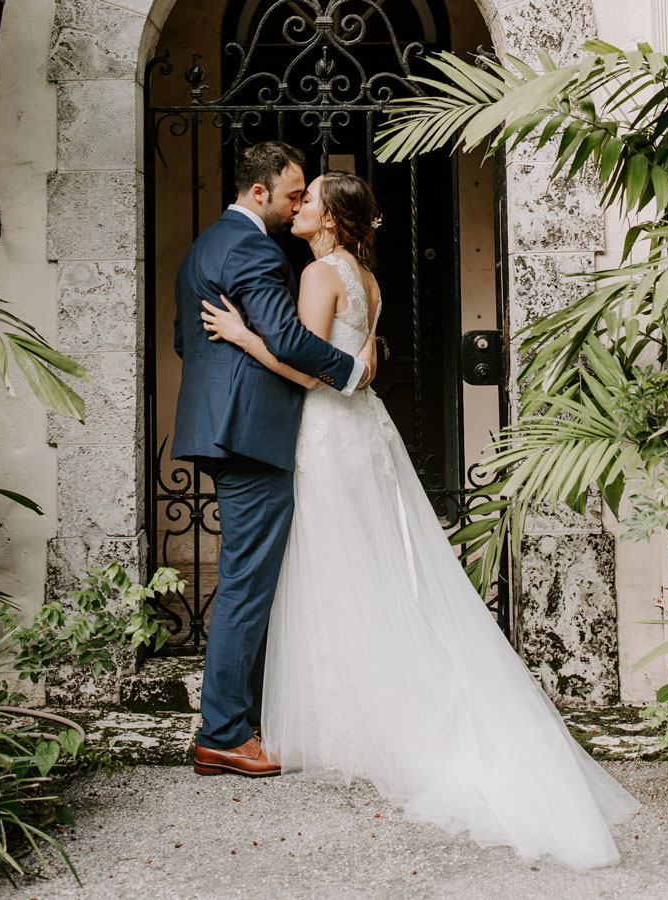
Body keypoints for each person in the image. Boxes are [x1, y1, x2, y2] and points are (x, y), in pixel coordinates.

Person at [199, 169, 641, 869]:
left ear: (333, 220)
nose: (298, 207)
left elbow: (306, 368)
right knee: (368, 565)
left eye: (309, 199)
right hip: (364, 431)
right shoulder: (364, 278)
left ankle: (347, 716)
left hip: (323, 430)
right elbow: (355, 359)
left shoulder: (319, 276)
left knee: (332, 568)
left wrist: (241, 335)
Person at [173, 143, 377, 778]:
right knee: (245, 583)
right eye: (292, 194)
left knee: (251, 576)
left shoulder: (207, 243)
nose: (296, 206)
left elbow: (186, 340)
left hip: (228, 427)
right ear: (259, 193)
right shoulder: (253, 248)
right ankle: (224, 733)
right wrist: (356, 370)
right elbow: (290, 339)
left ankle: (243, 718)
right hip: (251, 434)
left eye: (305, 198)